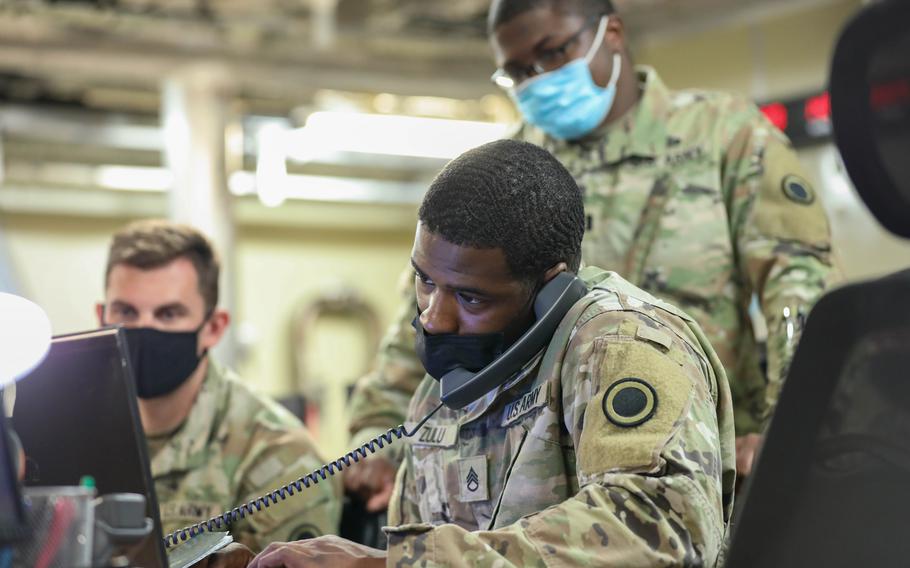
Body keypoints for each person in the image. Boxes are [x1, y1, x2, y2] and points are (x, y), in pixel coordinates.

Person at [345, 0, 836, 505]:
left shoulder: (723, 136)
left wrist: (791, 428)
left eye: (553, 53)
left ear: (612, 34)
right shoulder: (509, 169)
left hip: (708, 468)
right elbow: (432, 307)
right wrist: (376, 434)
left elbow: (797, 288)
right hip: (542, 479)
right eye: (517, 72)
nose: (537, 79)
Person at [207, 139, 735, 567]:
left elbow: (659, 533)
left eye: (469, 296)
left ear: (550, 288)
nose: (434, 317)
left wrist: (390, 565)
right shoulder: (451, 383)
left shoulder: (622, 345)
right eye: (424, 280)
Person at [97, 220, 340, 551]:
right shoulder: (69, 429)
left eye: (168, 314)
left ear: (213, 327)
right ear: (101, 317)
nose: (143, 330)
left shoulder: (279, 458)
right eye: (126, 311)